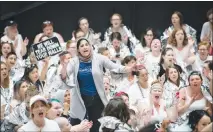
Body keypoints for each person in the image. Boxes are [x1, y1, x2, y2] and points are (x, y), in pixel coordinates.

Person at [61, 38, 135, 131]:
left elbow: (114, 67)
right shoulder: (74, 62)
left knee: (96, 128)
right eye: (82, 46)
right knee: (78, 128)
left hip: (96, 100)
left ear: (90, 46)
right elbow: (64, 76)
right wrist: (64, 66)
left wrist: (127, 68)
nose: (85, 47)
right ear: (78, 49)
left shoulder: (99, 58)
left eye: (86, 44)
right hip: (80, 100)